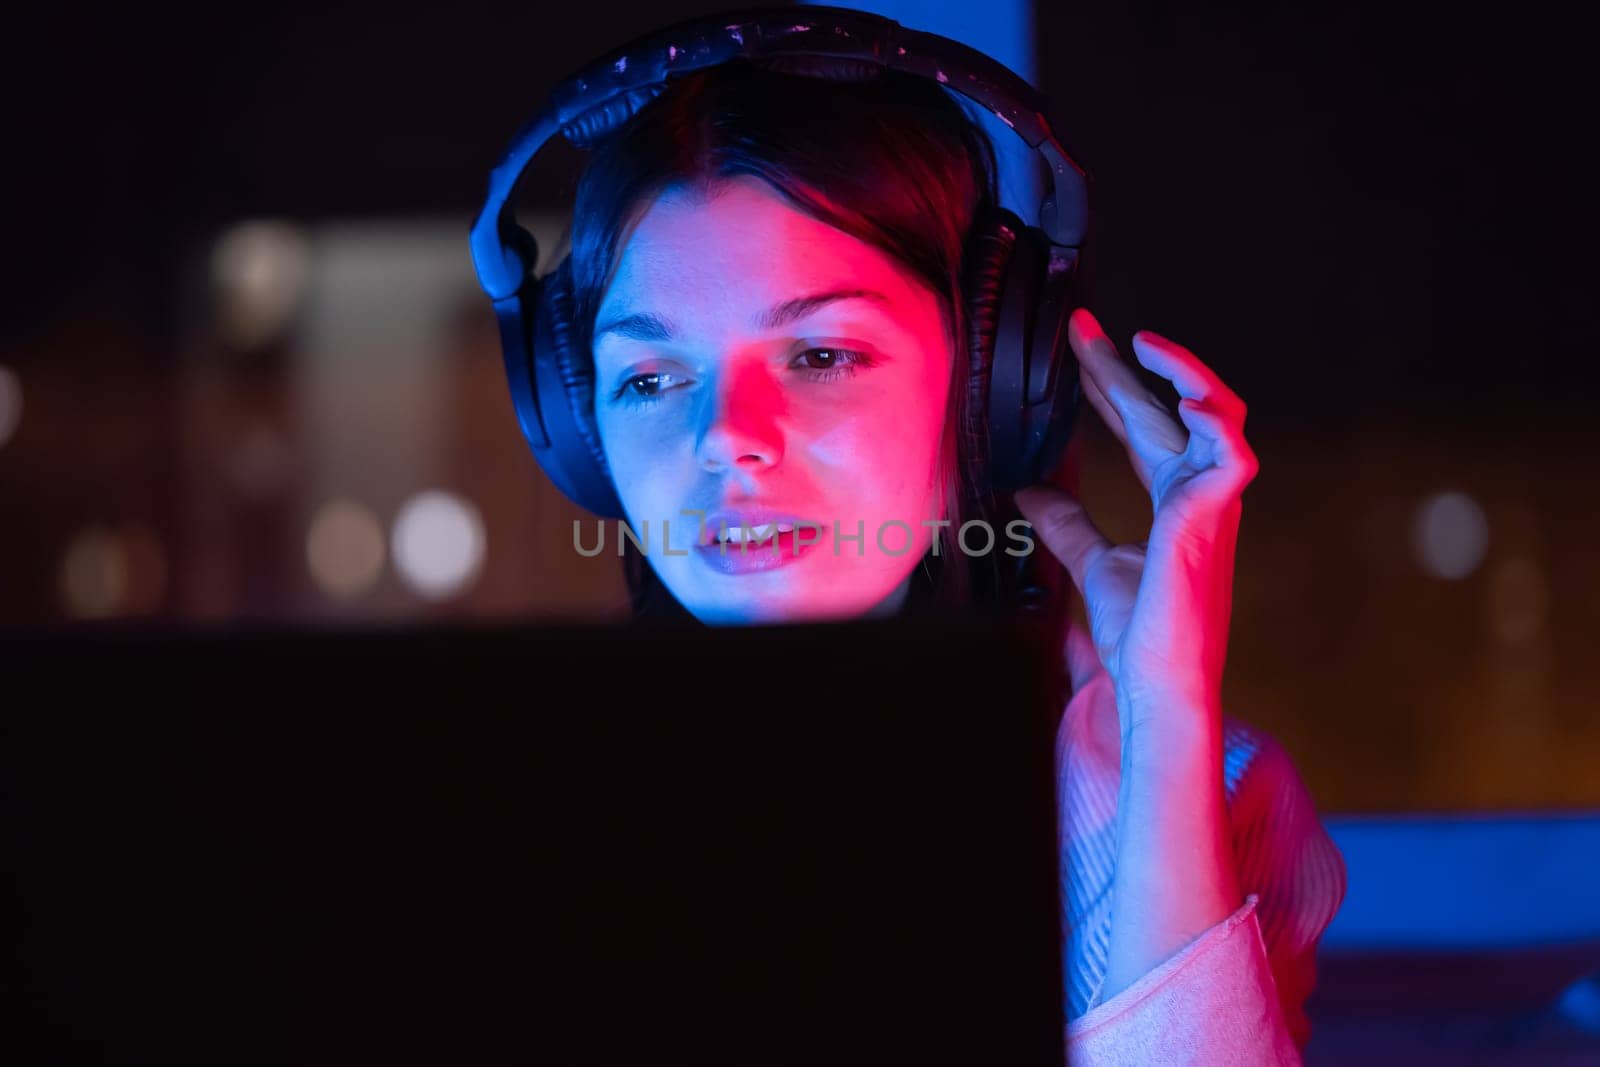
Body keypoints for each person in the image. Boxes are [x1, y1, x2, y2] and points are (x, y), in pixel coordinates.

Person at [535, 46, 1345, 1064]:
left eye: (820, 354)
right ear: (576, 426)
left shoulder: (1192, 787)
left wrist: (1163, 720)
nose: (722, 436)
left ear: (984, 394)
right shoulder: (495, 807)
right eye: (649, 378)